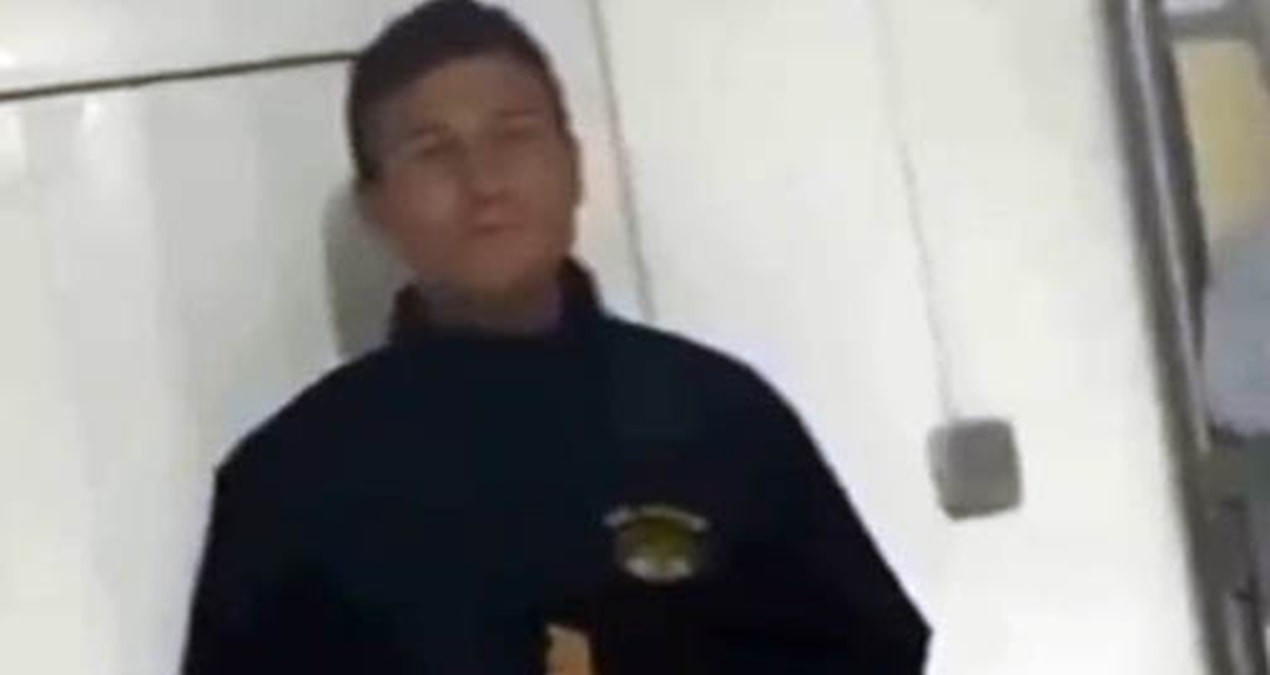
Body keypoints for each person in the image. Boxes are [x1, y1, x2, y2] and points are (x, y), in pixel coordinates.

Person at [180, 1, 930, 673]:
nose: (484, 182)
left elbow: (872, 652)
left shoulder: (723, 420)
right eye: (433, 150)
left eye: (514, 135)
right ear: (378, 207)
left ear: (572, 166)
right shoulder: (291, 482)